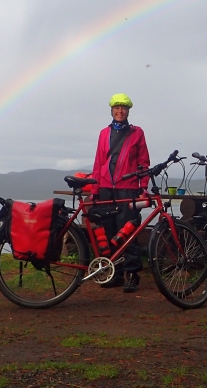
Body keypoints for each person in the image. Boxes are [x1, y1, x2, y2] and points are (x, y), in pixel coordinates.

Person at [90, 93, 150, 293]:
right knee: (107, 231)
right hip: (106, 188)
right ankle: (113, 272)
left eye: (123, 108)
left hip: (128, 188)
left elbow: (143, 162)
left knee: (127, 232)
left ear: (128, 111)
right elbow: (99, 163)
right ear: (112, 110)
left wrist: (143, 187)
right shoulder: (103, 134)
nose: (120, 111)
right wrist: (94, 190)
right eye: (117, 108)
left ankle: (131, 274)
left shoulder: (137, 133)